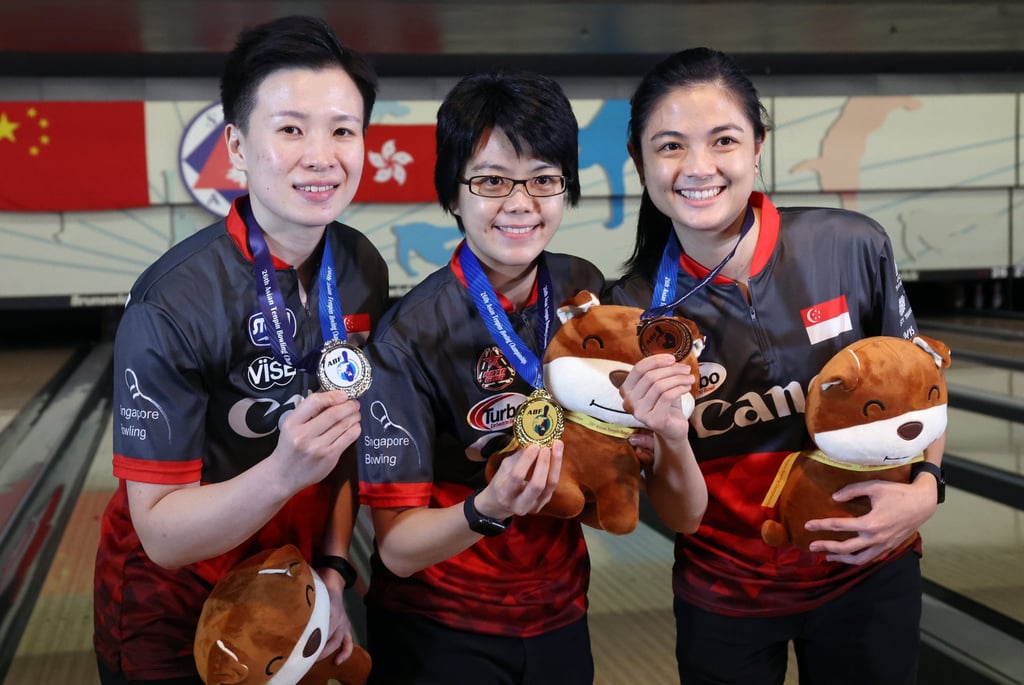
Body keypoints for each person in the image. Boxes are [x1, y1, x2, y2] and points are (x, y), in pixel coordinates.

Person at [606, 47, 947, 685]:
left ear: (757, 146)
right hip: (725, 598)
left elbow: (922, 394)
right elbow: (679, 519)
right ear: (640, 162)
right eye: (670, 145)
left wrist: (926, 492)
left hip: (869, 573)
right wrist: (673, 438)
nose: (697, 167)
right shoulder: (631, 314)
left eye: (723, 140)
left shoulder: (851, 245)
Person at [357, 69, 707, 685]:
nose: (520, 204)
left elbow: (673, 505)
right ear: (453, 192)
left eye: (544, 179)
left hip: (560, 615)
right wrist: (488, 507)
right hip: (438, 628)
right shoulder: (408, 336)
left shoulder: (585, 290)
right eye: (492, 180)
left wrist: (668, 434)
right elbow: (397, 550)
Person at [93, 15, 388, 684]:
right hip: (171, 596)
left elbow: (341, 448)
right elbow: (162, 533)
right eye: (290, 128)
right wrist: (285, 470)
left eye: (343, 129)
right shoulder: (172, 302)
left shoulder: (362, 267)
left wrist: (336, 569)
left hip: (294, 572)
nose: (322, 154)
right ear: (235, 145)